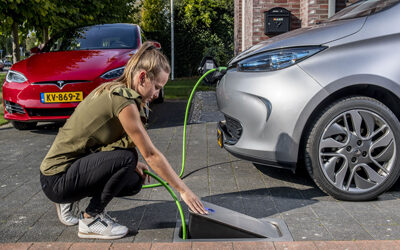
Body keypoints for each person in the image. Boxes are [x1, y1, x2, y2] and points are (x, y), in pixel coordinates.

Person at [39, 41, 207, 240]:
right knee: (127, 158)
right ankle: (91, 219)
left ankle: (72, 198)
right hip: (56, 179)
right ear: (142, 77)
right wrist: (183, 190)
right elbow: (151, 154)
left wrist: (131, 164)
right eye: (157, 87)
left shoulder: (116, 90)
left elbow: (100, 144)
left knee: (133, 180)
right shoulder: (123, 101)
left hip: (67, 171)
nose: (157, 94)